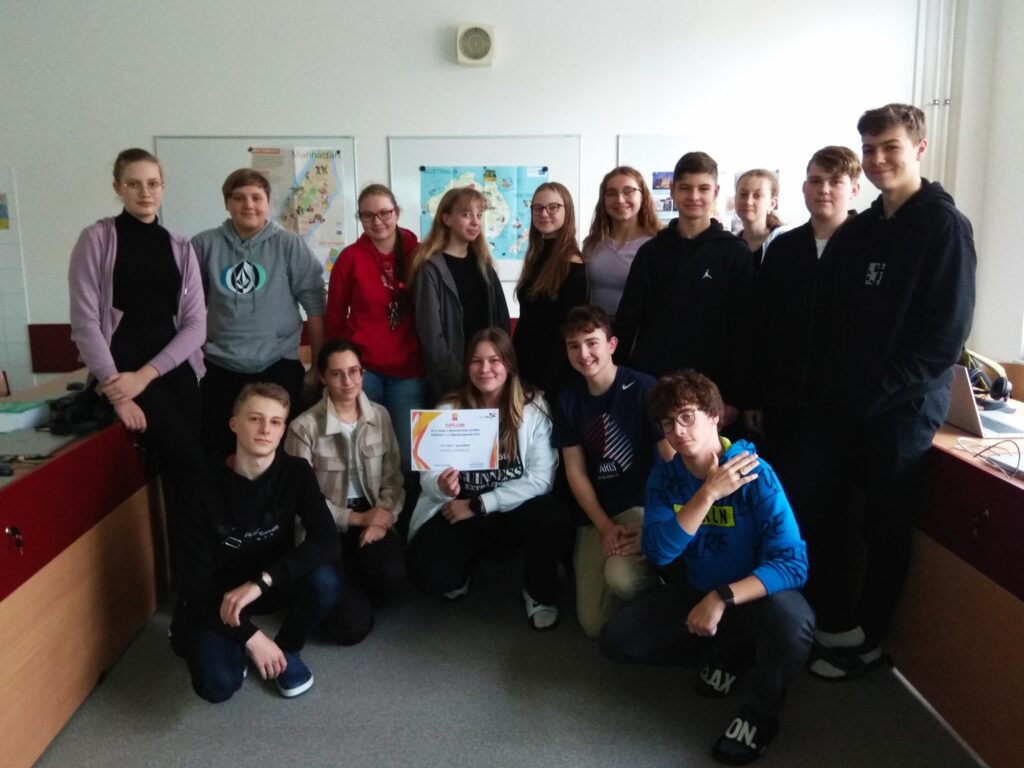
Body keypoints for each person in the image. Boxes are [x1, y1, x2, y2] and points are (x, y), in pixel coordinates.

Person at [807, 104, 976, 679]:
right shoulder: (860, 231)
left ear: (919, 149)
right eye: (870, 150)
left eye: (891, 148)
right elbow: (831, 320)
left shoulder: (944, 226)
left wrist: (873, 392)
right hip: (845, 406)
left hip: (903, 410)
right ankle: (835, 622)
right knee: (825, 508)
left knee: (884, 526)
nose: (878, 160)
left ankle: (869, 642)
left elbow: (944, 338)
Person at [599, 370, 813, 766]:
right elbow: (659, 552)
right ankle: (730, 654)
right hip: (696, 589)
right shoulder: (665, 479)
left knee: (792, 621)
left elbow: (793, 564)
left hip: (752, 597)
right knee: (618, 641)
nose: (678, 431)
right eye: (668, 422)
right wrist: (709, 493)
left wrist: (722, 597)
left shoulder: (755, 473)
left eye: (687, 416)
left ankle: (759, 714)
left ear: (714, 416)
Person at [173, 383, 340, 702]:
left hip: (268, 584)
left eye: (275, 422)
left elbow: (327, 540)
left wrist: (262, 581)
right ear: (234, 424)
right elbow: (195, 583)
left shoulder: (296, 472)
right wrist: (252, 638)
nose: (265, 429)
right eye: (255, 419)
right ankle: (241, 646)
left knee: (326, 580)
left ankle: (286, 650)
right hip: (218, 595)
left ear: (283, 431)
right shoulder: (199, 486)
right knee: (217, 685)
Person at [406, 328, 571, 630]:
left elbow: (542, 479)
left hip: (508, 510)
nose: (485, 369)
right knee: (429, 576)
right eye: (476, 361)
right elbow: (426, 474)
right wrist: (441, 486)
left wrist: (480, 503)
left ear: (509, 364)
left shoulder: (533, 407)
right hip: (458, 511)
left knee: (551, 515)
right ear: (467, 366)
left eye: (494, 360)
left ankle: (537, 592)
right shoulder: (448, 408)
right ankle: (464, 566)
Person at [69, 147, 206, 486]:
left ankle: (193, 524)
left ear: (163, 187)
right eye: (134, 184)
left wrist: (145, 377)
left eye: (153, 183)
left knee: (195, 463)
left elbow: (195, 325)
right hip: (122, 368)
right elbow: (85, 325)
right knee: (190, 465)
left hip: (172, 368)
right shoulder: (96, 240)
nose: (145, 192)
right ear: (118, 188)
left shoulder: (180, 247)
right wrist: (119, 393)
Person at [552, 305, 671, 637]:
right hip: (597, 514)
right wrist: (604, 526)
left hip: (642, 506)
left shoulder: (644, 387)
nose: (584, 354)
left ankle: (664, 592)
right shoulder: (568, 399)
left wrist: (660, 524)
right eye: (574, 346)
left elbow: (672, 459)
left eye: (592, 342)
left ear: (612, 345)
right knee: (594, 624)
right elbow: (575, 472)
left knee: (623, 579)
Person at [191, 168, 326, 458]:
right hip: (220, 367)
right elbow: (189, 310)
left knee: (279, 452)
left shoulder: (290, 245)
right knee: (220, 451)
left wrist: (316, 366)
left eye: (256, 197)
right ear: (227, 203)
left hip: (277, 365)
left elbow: (315, 308)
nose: (248, 205)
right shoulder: (203, 245)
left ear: (268, 202)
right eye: (239, 198)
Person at [614, 151, 755, 424]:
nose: (694, 196)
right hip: (654, 386)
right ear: (673, 191)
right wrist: (620, 383)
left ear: (716, 192)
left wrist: (737, 397)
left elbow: (744, 330)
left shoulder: (735, 253)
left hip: (713, 392)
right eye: (686, 188)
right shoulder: (651, 253)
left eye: (703, 188)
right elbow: (627, 322)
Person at [285, 339, 406, 646]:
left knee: (393, 573)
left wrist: (382, 519)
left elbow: (393, 478)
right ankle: (338, 591)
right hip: (323, 526)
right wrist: (357, 519)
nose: (348, 381)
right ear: (322, 377)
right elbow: (301, 502)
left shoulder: (380, 415)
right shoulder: (303, 427)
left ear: (362, 373)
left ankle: (352, 585)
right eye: (337, 374)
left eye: (354, 371)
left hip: (371, 513)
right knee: (351, 629)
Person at [750, 146, 861, 458]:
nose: (823, 189)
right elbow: (762, 325)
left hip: (844, 405)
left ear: (854, 189)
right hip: (783, 401)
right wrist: (754, 396)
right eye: (815, 181)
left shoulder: (868, 246)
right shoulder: (783, 248)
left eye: (835, 181)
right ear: (803, 187)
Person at [325, 184, 425, 473]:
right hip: (362, 372)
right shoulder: (350, 258)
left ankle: (404, 503)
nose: (377, 221)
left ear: (397, 213)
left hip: (409, 371)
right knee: (365, 452)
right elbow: (335, 315)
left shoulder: (419, 254)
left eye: (384, 213)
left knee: (409, 456)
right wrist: (333, 366)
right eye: (367, 215)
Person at [412, 187, 510, 402]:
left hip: (488, 377)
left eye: (479, 215)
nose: (475, 222)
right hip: (452, 381)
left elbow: (501, 322)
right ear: (446, 218)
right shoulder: (431, 269)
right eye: (466, 214)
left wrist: (497, 367)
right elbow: (431, 335)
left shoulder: (484, 265)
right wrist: (458, 379)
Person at [512, 181, 588, 403]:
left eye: (553, 207)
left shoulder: (572, 263)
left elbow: (568, 329)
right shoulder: (536, 256)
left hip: (552, 376)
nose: (544, 214)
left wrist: (544, 382)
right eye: (537, 208)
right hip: (524, 365)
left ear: (567, 210)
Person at [583, 166, 662, 317]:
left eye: (628, 191)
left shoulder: (656, 246)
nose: (620, 199)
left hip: (638, 329)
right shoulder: (591, 244)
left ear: (643, 196)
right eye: (611, 193)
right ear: (604, 200)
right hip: (596, 328)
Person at [733, 169, 785, 272]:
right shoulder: (730, 244)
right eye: (743, 194)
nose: (748, 202)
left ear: (772, 204)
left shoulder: (785, 241)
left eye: (757, 195)